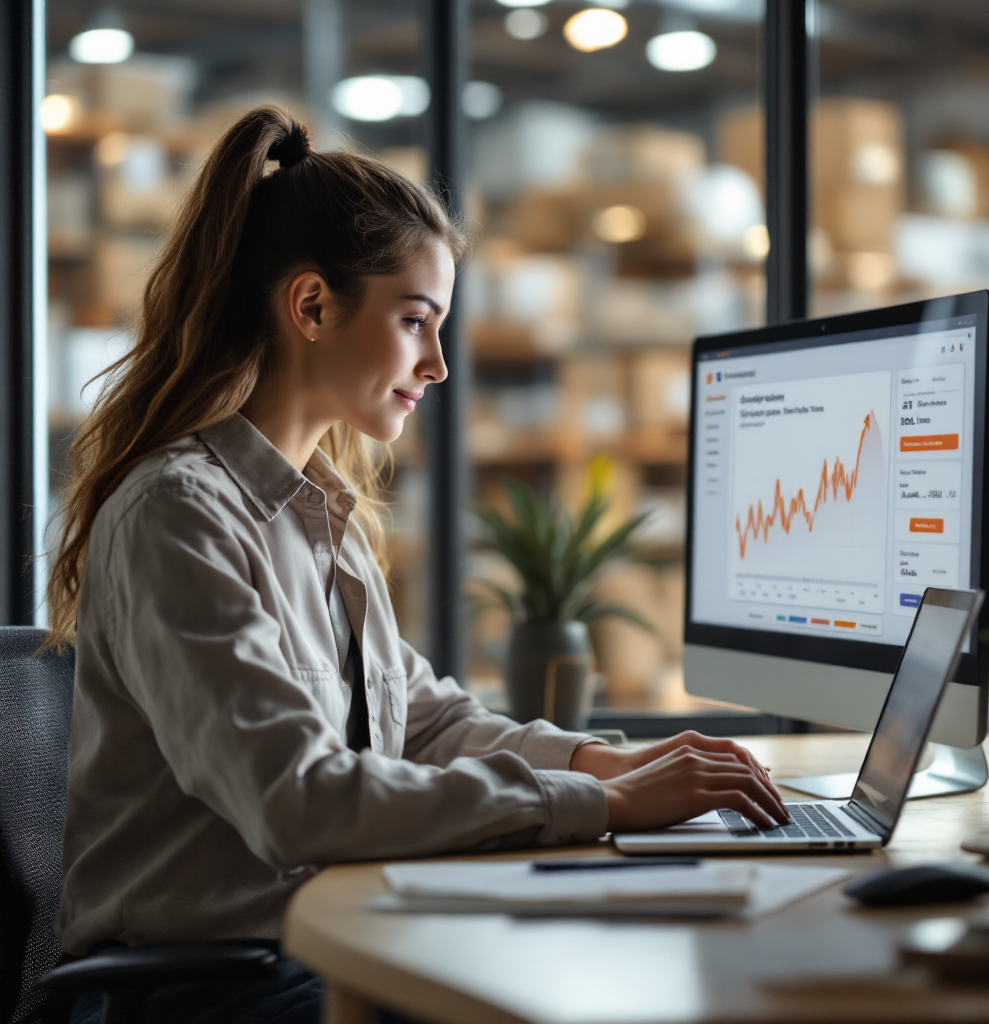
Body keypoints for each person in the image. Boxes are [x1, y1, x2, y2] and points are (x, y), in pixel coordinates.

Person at [48, 107, 789, 1024]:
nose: (437, 364)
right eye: (415, 321)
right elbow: (300, 801)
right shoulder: (176, 516)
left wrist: (607, 764)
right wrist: (598, 805)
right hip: (208, 986)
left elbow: (424, 722)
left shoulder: (324, 516)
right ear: (312, 307)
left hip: (315, 943)